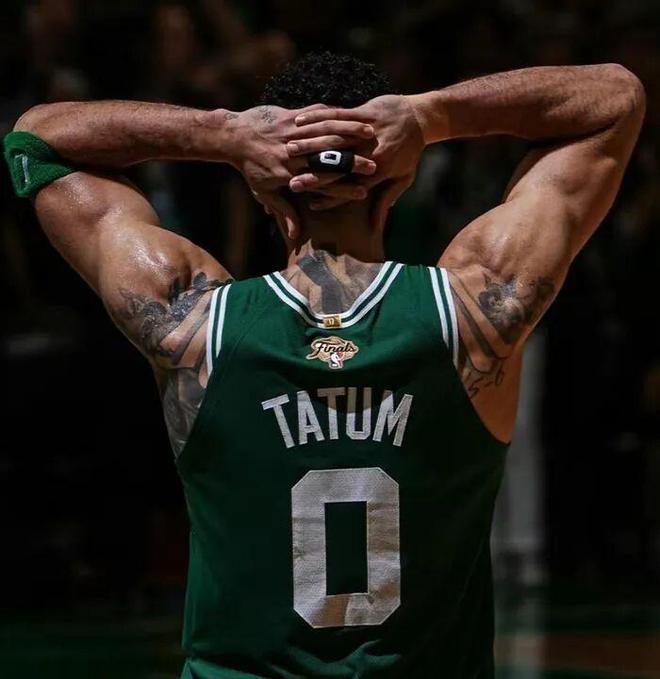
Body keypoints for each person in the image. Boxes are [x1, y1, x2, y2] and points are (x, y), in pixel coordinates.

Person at [5, 52, 644, 678]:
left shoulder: (191, 323)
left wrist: (224, 134)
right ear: (396, 182)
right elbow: (614, 100)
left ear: (262, 191)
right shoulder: (475, 309)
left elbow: (37, 140)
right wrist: (427, 117)